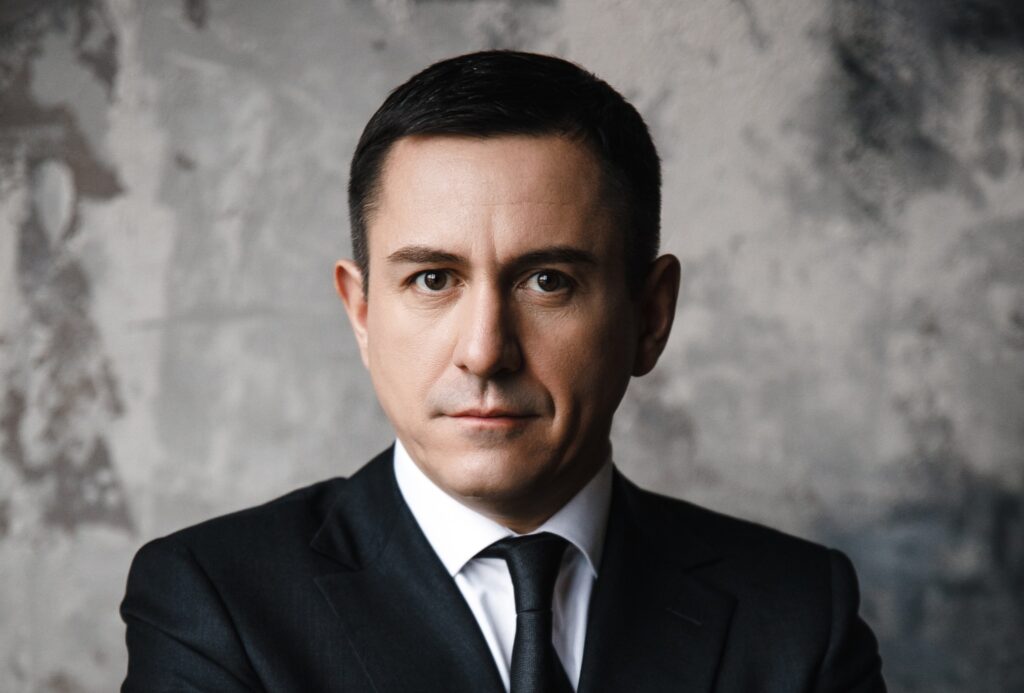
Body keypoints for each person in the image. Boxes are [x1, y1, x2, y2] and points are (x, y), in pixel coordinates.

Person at [120, 50, 886, 692]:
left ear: (650, 316)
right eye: (432, 279)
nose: (485, 351)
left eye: (548, 281)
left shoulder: (797, 612)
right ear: (361, 312)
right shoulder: (214, 602)